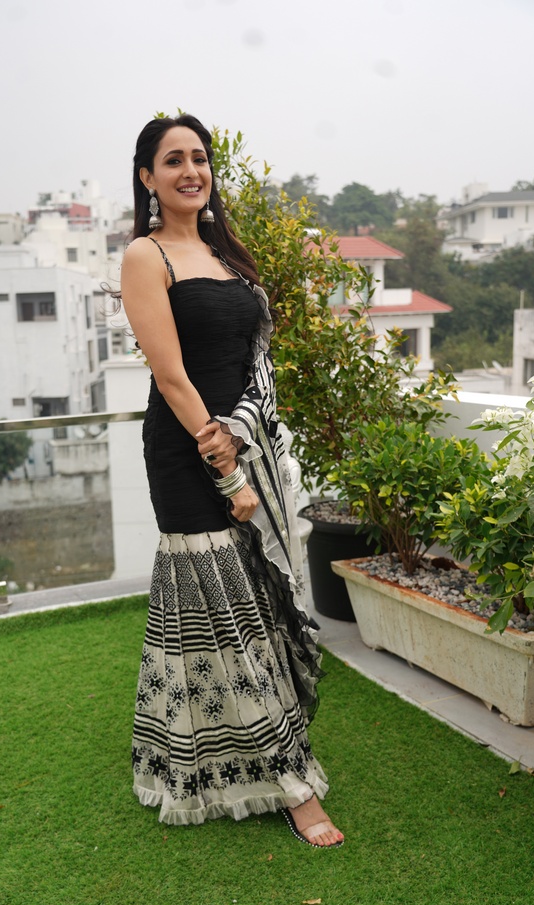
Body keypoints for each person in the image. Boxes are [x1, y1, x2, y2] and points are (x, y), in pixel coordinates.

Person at [121, 114, 344, 848]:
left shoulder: (225, 254)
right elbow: (170, 375)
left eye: (200, 157)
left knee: (252, 605)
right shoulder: (146, 255)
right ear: (148, 177)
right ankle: (293, 781)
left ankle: (198, 754)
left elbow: (256, 359)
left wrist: (246, 443)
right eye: (173, 160)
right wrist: (225, 468)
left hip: (246, 441)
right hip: (189, 453)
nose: (191, 170)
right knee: (226, 610)